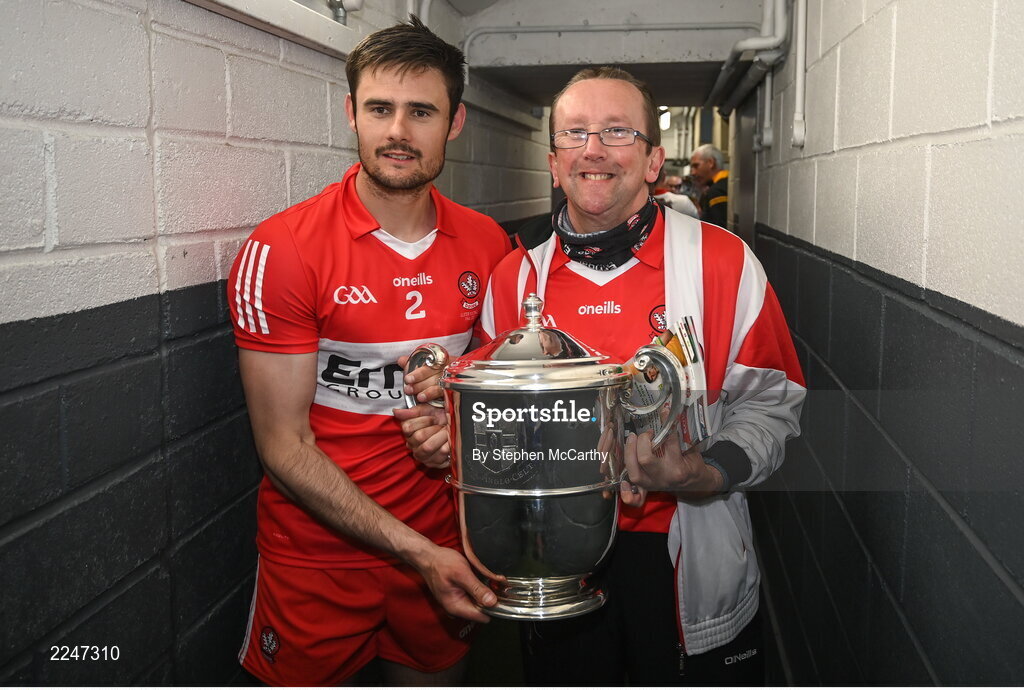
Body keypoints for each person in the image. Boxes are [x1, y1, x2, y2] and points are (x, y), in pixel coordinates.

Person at [401, 66, 805, 685]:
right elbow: (491, 423)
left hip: (684, 558)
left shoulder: (723, 262)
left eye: (618, 132)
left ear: (652, 161)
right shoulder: (515, 279)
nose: (593, 149)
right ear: (554, 162)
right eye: (576, 134)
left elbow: (772, 408)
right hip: (553, 556)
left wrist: (701, 472)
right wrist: (450, 436)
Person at [227, 17, 511, 686]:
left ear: (456, 122)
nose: (398, 132)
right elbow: (283, 445)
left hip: (446, 543)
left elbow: (500, 397)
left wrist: (462, 431)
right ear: (352, 113)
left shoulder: (489, 247)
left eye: (421, 112)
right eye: (380, 108)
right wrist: (414, 551)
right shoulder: (285, 250)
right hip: (318, 557)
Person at [689, 143, 730, 227]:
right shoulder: (727, 184)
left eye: (696, 166)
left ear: (711, 163)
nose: (693, 172)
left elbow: (719, 230)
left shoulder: (717, 191)